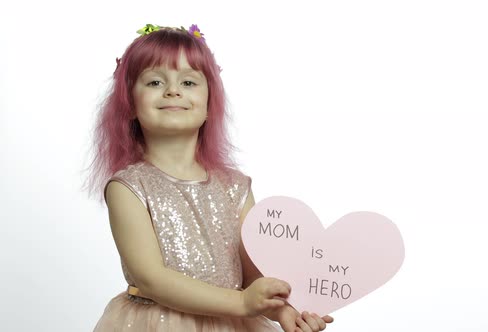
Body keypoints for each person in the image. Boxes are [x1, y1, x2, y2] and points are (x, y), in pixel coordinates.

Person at [88, 24, 334, 332]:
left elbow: (251, 277)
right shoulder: (128, 187)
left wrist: (283, 311)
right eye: (154, 81)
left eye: (188, 81)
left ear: (209, 105)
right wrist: (243, 303)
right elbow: (151, 278)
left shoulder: (235, 187)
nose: (172, 90)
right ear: (130, 104)